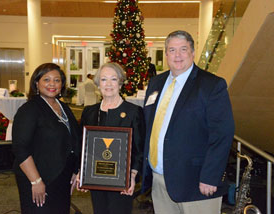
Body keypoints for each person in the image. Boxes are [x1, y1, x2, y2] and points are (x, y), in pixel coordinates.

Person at [141, 30, 235, 214]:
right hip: (160, 181)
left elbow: (222, 134)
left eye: (183, 49)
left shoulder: (211, 85)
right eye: (172, 50)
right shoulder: (155, 83)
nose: (177, 55)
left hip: (197, 184)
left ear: (193, 52)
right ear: (166, 54)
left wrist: (210, 176)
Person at [12, 63, 81, 214]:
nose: (52, 84)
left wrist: (76, 170)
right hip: (39, 177)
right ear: (37, 83)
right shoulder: (29, 109)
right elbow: (20, 148)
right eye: (46, 79)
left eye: (57, 80)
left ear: (62, 84)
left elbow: (74, 139)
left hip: (62, 178)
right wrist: (36, 181)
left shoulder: (63, 107)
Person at [78, 62, 145, 214]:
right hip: (96, 179)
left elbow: (140, 149)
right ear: (98, 84)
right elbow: (83, 145)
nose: (108, 84)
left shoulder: (134, 112)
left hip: (122, 181)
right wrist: (81, 172)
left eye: (113, 79)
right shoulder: (89, 112)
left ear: (120, 83)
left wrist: (132, 176)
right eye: (103, 79)